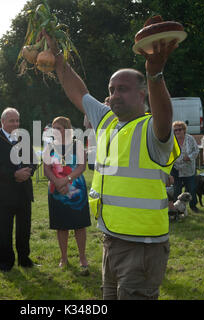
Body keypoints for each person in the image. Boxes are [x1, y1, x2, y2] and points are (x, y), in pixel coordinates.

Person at [42, 32, 180, 299]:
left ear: (143, 94)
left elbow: (165, 116)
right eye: (111, 89)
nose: (115, 95)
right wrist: (58, 58)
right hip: (111, 238)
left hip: (143, 246)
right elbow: (78, 92)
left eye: (123, 89)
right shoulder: (106, 120)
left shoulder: (152, 130)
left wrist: (154, 75)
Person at [0, 107, 37, 272]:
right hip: (4, 192)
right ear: (2, 122)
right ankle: (5, 262)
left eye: (17, 120)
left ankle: (24, 259)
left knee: (24, 228)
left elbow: (33, 160)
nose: (16, 123)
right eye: (12, 120)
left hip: (24, 190)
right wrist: (13, 174)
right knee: (4, 229)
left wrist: (28, 171)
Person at [43, 116, 91, 274]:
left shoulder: (77, 144)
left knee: (79, 225)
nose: (55, 131)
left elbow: (82, 166)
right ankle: (63, 257)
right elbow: (46, 169)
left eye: (59, 128)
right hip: (56, 190)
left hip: (76, 187)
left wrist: (67, 180)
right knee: (61, 225)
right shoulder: (49, 146)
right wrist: (57, 183)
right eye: (53, 128)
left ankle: (82, 257)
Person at [171, 121, 200, 212]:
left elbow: (196, 150)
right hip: (176, 169)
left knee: (191, 188)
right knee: (176, 190)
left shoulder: (190, 139)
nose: (178, 131)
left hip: (189, 169)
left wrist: (190, 157)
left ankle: (193, 206)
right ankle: (177, 209)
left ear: (184, 130)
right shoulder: (171, 141)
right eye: (175, 130)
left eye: (180, 129)